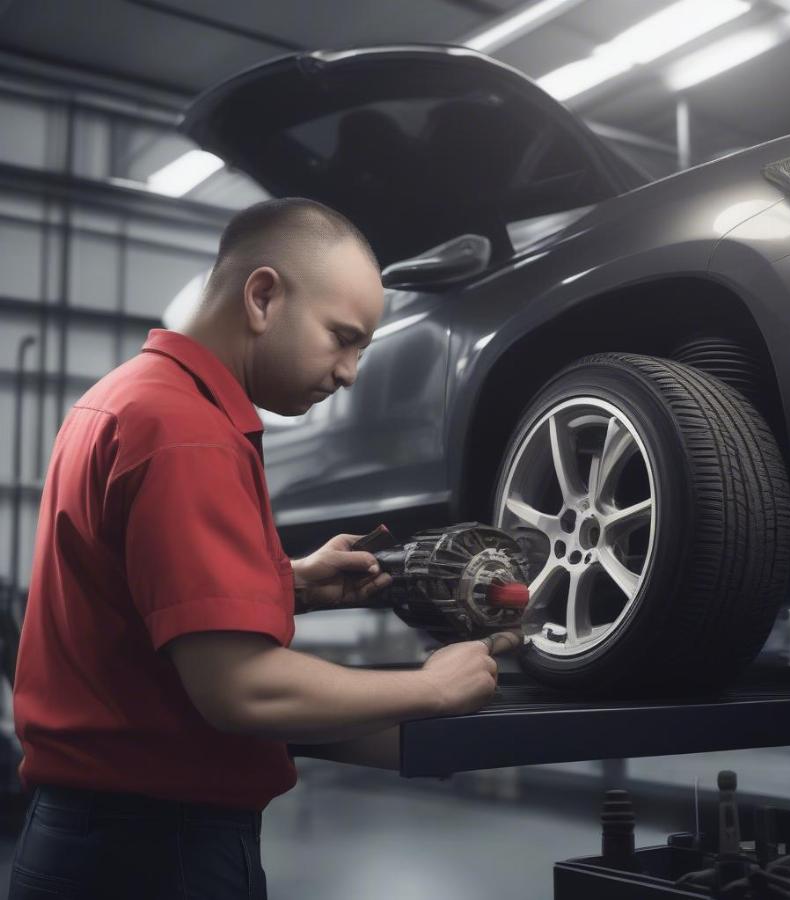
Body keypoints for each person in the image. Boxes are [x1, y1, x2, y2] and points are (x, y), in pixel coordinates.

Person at [7, 196, 522, 900]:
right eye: (343, 337)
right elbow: (239, 689)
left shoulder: (121, 399)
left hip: (86, 839)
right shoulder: (186, 430)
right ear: (263, 297)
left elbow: (129, 601)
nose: (348, 373)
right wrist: (431, 688)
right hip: (158, 855)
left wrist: (294, 584)